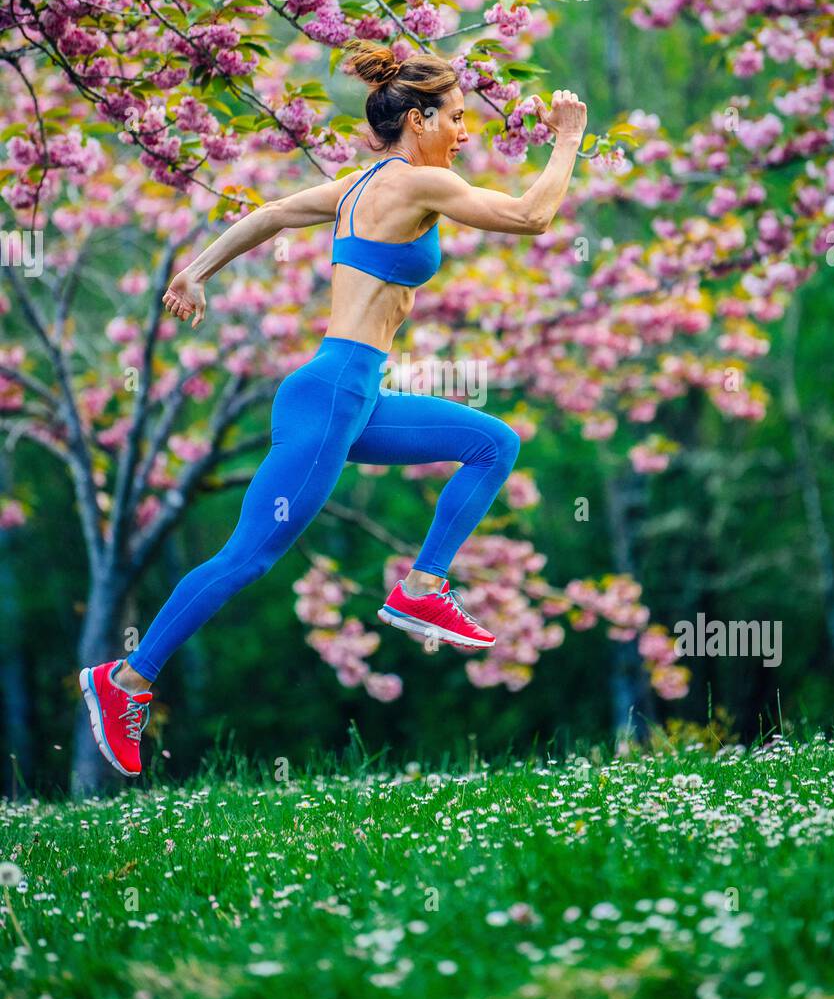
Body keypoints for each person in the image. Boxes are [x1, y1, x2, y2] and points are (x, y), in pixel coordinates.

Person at [79, 38, 587, 775]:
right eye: (454, 116)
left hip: (350, 392)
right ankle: (124, 681)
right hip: (335, 395)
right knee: (248, 557)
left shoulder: (358, 185)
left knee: (493, 443)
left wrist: (194, 271)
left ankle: (422, 586)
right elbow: (534, 216)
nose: (466, 131)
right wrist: (568, 138)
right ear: (417, 120)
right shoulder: (417, 185)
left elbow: (277, 212)